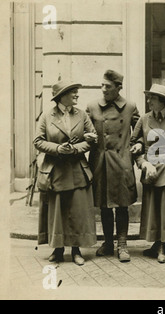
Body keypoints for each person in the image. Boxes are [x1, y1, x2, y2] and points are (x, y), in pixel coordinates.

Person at [34, 80, 98, 266]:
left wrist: (76, 149)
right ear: (62, 96)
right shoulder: (47, 116)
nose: (77, 95)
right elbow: (37, 141)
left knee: (77, 211)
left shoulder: (82, 114)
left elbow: (92, 138)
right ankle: (58, 250)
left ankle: (76, 250)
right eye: (73, 93)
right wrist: (57, 148)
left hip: (78, 170)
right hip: (55, 171)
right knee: (58, 212)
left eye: (76, 92)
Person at [86, 70, 140, 263]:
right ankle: (108, 243)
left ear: (118, 88)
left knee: (122, 205)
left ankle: (123, 245)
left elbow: (139, 132)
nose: (103, 89)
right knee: (104, 205)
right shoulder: (92, 107)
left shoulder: (130, 107)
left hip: (122, 162)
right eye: (102, 85)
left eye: (108, 86)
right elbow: (83, 131)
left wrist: (138, 144)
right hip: (100, 162)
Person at [130, 84, 165, 263]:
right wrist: (143, 163)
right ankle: (155, 243)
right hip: (150, 171)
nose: (149, 101)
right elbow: (134, 144)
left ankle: (163, 248)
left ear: (163, 101)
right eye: (149, 97)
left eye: (152, 98)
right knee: (152, 209)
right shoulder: (143, 119)